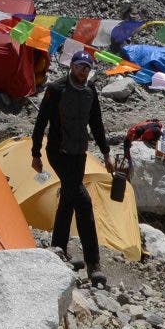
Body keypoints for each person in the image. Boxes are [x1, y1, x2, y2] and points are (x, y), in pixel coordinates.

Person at [31, 50, 109, 283]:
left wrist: (106, 152)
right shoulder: (56, 89)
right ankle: (93, 264)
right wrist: (35, 153)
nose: (83, 70)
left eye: (87, 67)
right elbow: (41, 121)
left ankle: (58, 250)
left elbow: (96, 123)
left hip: (78, 154)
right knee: (83, 202)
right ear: (71, 66)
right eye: (79, 66)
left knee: (68, 198)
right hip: (58, 152)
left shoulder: (90, 91)